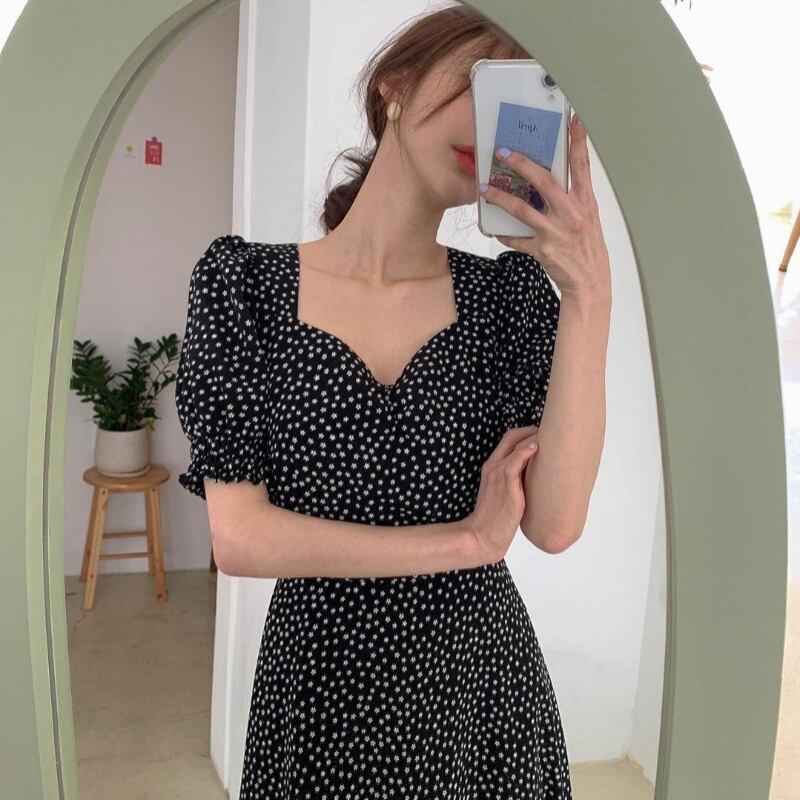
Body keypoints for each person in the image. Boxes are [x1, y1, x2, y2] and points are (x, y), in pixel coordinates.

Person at [176, 5, 610, 798]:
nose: (488, 120)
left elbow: (553, 523)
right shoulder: (244, 286)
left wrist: (588, 293)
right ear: (396, 87)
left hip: (478, 696)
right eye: (477, 80)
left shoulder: (510, 300)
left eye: (515, 101)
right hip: (320, 690)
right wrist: (464, 541)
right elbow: (239, 538)